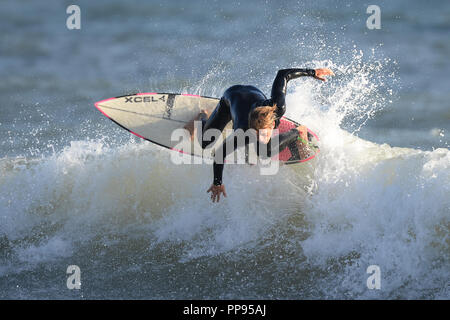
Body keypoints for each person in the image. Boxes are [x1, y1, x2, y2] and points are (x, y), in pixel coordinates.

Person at [184, 67, 334, 202]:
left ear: (272, 124)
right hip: (231, 97)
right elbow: (219, 154)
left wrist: (312, 72)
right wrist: (217, 182)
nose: (261, 137)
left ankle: (298, 131)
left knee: (265, 150)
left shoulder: (278, 106)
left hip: (254, 94)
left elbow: (283, 74)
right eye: (257, 134)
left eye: (264, 133)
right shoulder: (242, 130)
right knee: (204, 142)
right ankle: (203, 115)